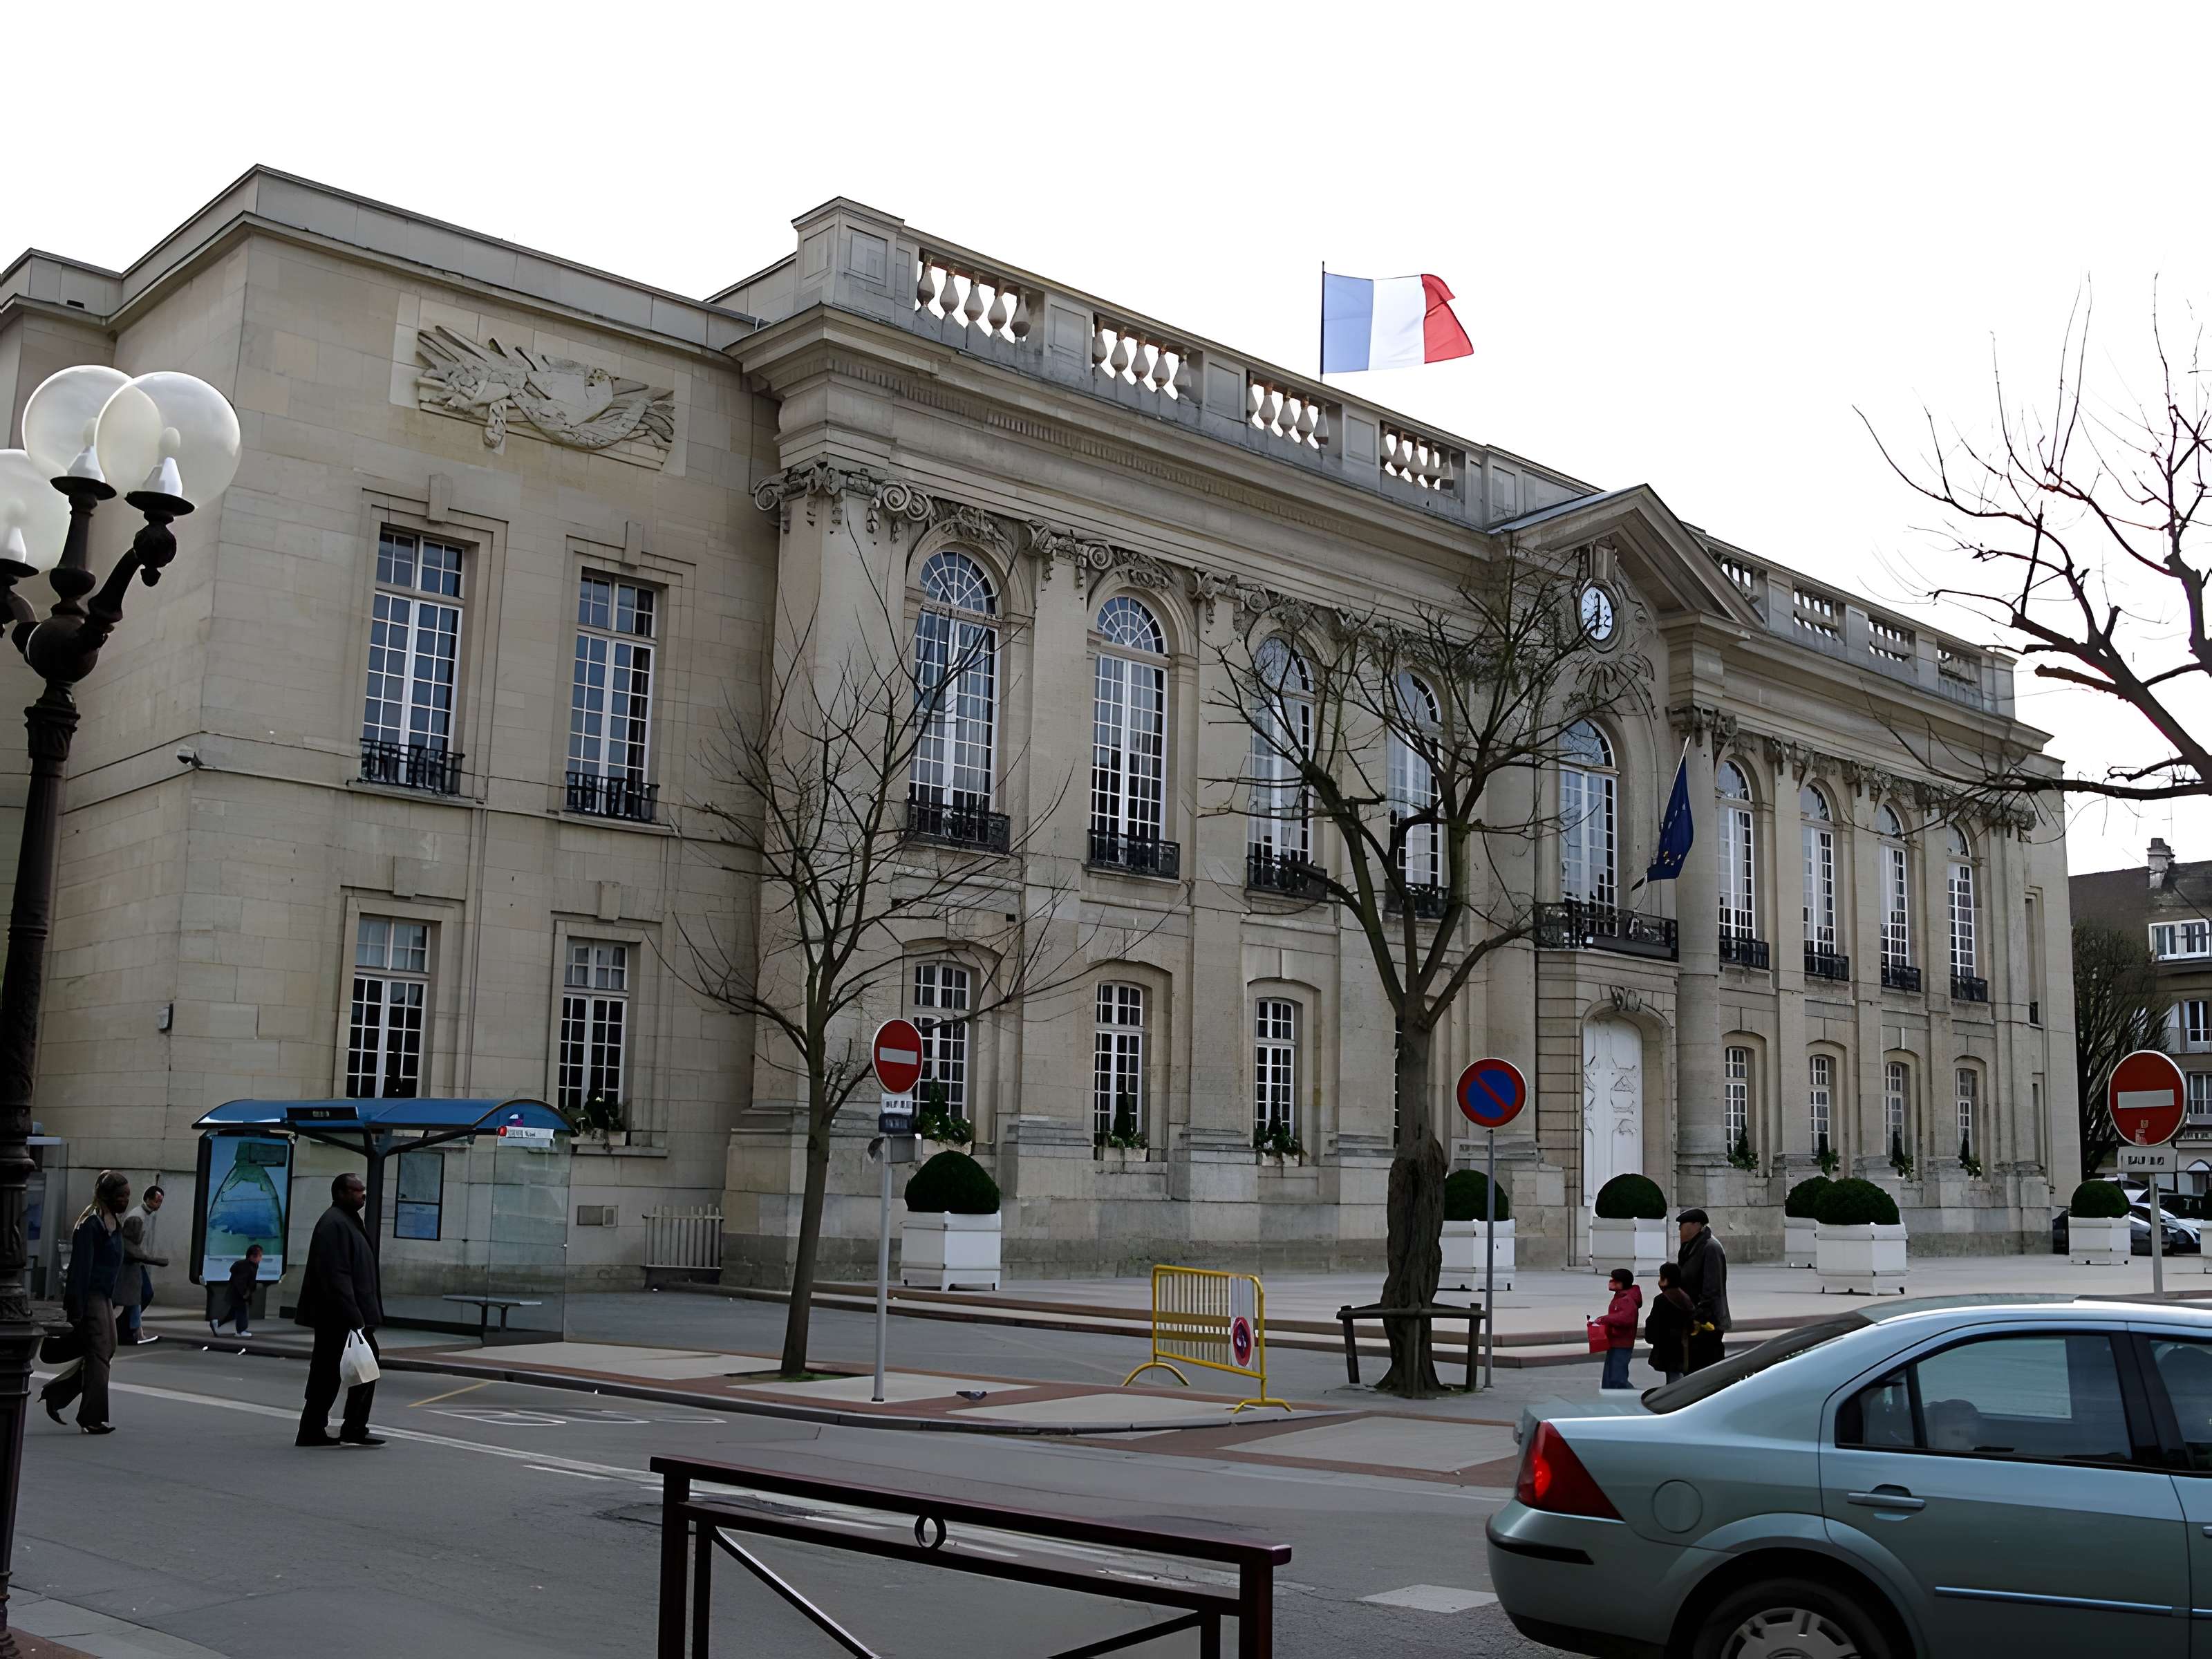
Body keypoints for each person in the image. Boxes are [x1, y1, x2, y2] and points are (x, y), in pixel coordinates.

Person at [294, 1172, 384, 1447]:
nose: (363, 1195)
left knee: (357, 1367)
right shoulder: (334, 1223)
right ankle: (316, 1429)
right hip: (339, 1316)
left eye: (363, 1190)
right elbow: (336, 1275)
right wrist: (355, 1316)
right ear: (342, 1194)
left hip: (348, 1315)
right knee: (329, 1372)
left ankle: (352, 1426)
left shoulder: (346, 1221)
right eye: (357, 1191)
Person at [43, 1170, 130, 1434]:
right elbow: (79, 1270)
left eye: (127, 1196)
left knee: (106, 1350)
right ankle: (92, 1418)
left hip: (105, 1296)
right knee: (101, 1354)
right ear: (107, 1196)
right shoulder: (90, 1225)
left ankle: (57, 1394)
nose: (126, 1200)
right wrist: (75, 1309)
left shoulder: (114, 1222)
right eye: (121, 1196)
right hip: (90, 1296)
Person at [1677, 1208, 1732, 1372]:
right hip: (1695, 1316)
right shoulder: (1692, 1246)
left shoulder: (1710, 1247)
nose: (1680, 1230)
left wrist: (1700, 1315)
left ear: (1696, 1225)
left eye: (1683, 1225)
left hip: (1708, 1321)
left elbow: (1712, 1287)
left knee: (1706, 1365)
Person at [118, 1184, 166, 1345]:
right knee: (141, 1295)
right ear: (147, 1199)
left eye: (160, 1202)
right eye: (156, 1201)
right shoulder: (137, 1217)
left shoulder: (142, 1215)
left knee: (137, 1297)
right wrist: (154, 1260)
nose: (158, 1205)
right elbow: (129, 1246)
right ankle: (132, 1332)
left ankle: (129, 1330)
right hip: (131, 1264)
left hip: (135, 1263)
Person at [1644, 1260, 1698, 1383]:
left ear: (1666, 1280)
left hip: (1668, 1348)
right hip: (1684, 1347)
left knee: (1673, 1380)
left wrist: (1652, 1338)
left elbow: (1654, 1324)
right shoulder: (1685, 1297)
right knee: (1679, 1376)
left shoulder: (1662, 1300)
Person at [1596, 1268, 1642, 1389]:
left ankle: (1630, 1396)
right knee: (1611, 1374)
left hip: (1622, 1342)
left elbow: (1626, 1319)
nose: (1611, 1282)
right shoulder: (1620, 1296)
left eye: (1615, 1280)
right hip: (1616, 1340)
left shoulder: (1626, 1299)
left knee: (1617, 1377)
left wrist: (1605, 1319)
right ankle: (1612, 1393)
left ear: (1623, 1283)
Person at [216, 1244, 262, 1336]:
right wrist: (245, 1293)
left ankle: (217, 1323)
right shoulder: (246, 1266)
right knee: (242, 1311)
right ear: (251, 1256)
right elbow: (240, 1281)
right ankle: (241, 1331)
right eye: (259, 1256)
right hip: (239, 1293)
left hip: (239, 1293)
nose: (260, 1258)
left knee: (233, 1313)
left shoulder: (253, 1265)